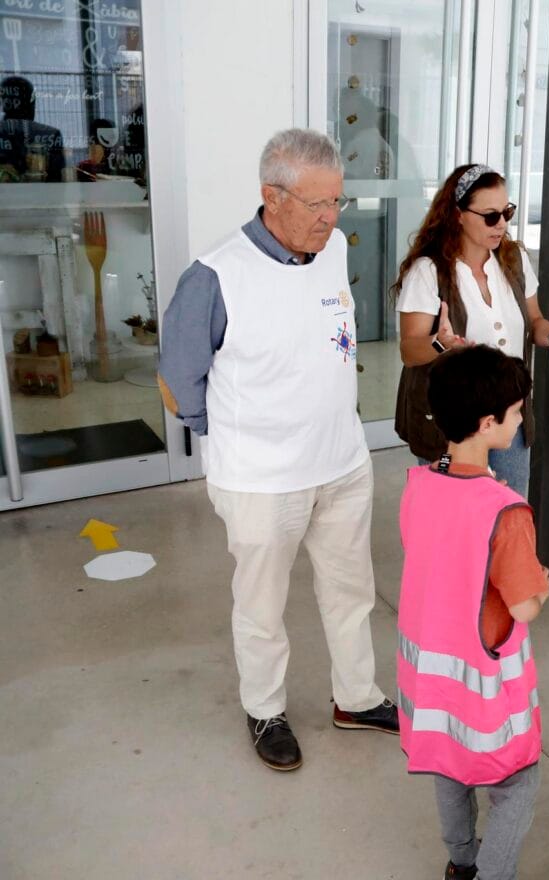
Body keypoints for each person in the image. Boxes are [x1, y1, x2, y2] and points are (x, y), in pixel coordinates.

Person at [158, 129, 396, 771]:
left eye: (337, 201)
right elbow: (178, 380)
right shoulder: (215, 275)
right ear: (271, 196)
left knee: (352, 592)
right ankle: (265, 710)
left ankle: (357, 698)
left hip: (342, 464)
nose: (330, 217)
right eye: (317, 204)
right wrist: (233, 437)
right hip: (262, 481)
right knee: (261, 607)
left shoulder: (333, 248)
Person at [397, 345, 549, 880]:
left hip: (431, 684)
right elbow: (523, 606)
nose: (521, 419)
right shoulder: (505, 511)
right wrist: (541, 583)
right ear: (488, 423)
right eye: (517, 411)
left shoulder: (420, 484)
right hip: (486, 689)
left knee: (450, 766)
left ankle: (461, 862)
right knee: (518, 785)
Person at [394, 163, 549, 493]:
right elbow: (410, 351)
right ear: (458, 214)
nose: (501, 224)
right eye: (490, 216)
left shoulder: (514, 259)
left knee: (508, 506)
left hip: (508, 414)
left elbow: (534, 322)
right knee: (451, 509)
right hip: (450, 428)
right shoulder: (428, 271)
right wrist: (440, 343)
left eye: (506, 212)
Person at [0, 76, 66, 182]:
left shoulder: (50, 135)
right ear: (31, 103)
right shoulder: (51, 134)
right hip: (41, 190)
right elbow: (56, 179)